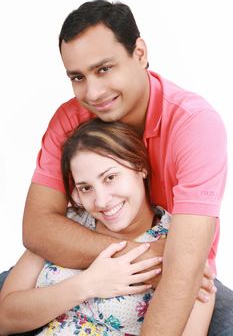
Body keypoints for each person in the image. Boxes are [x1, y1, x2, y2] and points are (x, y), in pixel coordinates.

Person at [0, 0, 231, 335]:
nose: (92, 92)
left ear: (139, 53)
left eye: (104, 69)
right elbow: (37, 229)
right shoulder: (70, 120)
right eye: (77, 77)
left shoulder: (194, 125)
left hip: (175, 274)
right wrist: (137, 259)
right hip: (105, 262)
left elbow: (184, 268)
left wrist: (163, 263)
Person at [0, 119, 215, 336]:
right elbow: (4, 318)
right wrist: (88, 284)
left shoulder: (178, 243)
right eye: (86, 188)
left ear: (140, 167)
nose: (101, 201)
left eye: (110, 178)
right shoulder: (65, 226)